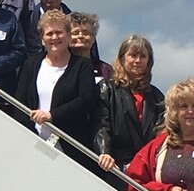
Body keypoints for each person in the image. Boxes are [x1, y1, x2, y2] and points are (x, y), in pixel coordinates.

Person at [15, 12, 100, 152]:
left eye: (59, 32)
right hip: (32, 143)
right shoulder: (31, 65)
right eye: (49, 34)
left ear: (68, 35)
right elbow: (20, 102)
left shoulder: (83, 66)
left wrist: (52, 115)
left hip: (70, 146)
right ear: (42, 39)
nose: (54, 37)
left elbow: (87, 100)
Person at [95, 35, 163, 176]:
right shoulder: (107, 89)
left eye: (143, 56)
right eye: (133, 55)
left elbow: (161, 132)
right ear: (122, 58)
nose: (137, 61)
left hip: (146, 169)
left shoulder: (157, 96)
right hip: (114, 166)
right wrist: (104, 153)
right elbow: (101, 125)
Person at [68, 11, 110, 82]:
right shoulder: (60, 66)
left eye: (85, 33)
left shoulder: (105, 70)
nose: (80, 36)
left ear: (93, 38)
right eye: (75, 33)